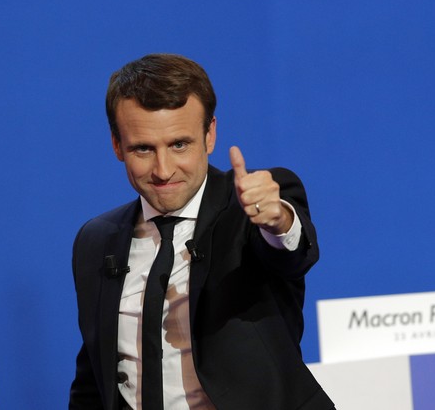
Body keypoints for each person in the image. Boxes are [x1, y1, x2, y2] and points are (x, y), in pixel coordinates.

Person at [70, 53, 333, 410]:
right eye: (143, 148)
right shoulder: (95, 240)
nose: (163, 170)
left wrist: (277, 220)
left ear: (209, 134)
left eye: (179, 144)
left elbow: (291, 251)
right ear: (117, 145)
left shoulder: (246, 213)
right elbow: (92, 380)